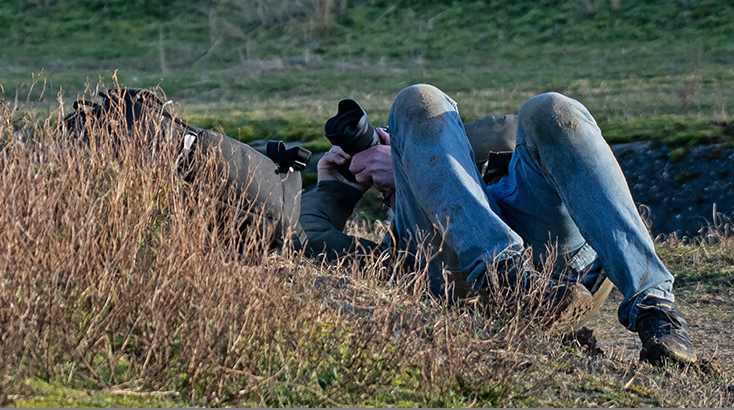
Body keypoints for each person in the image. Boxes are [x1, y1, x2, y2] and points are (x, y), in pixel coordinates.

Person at [298, 83, 698, 367]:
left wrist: (409, 160)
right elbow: (306, 243)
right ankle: (500, 271)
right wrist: (336, 188)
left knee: (550, 108)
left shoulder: (486, 156)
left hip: (561, 269)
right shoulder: (403, 254)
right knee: (414, 99)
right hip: (467, 286)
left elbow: (511, 131)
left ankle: (656, 311)